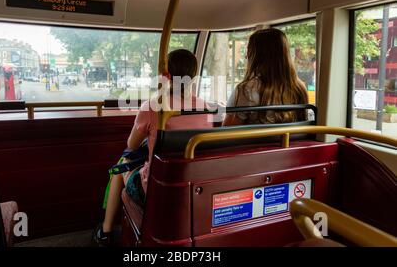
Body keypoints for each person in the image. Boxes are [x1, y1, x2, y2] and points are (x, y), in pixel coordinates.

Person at [93, 49, 213, 245]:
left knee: (121, 165)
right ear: (194, 76)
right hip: (194, 186)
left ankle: (105, 232)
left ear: (165, 76)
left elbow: (131, 145)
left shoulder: (152, 106)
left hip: (155, 189)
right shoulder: (206, 107)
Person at [223, 28, 308, 126]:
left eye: (249, 51)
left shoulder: (246, 90)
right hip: (290, 141)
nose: (246, 56)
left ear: (257, 56)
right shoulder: (300, 87)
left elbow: (226, 133)